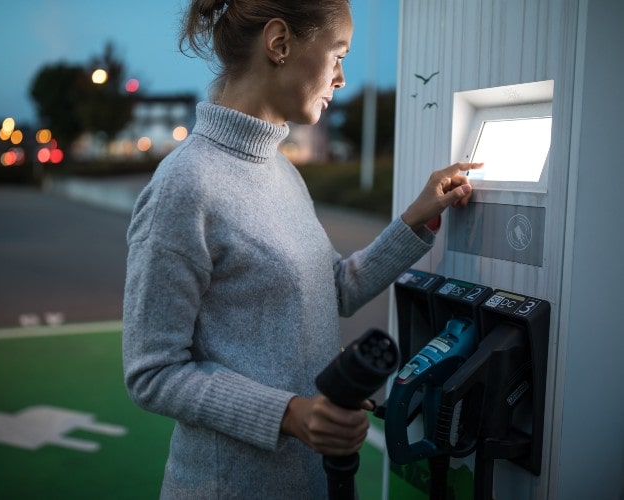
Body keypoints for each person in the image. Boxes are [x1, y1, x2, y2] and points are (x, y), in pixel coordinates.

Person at [122, 0, 481, 498]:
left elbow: (333, 288)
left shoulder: (282, 171)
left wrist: (414, 220)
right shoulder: (184, 186)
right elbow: (153, 372)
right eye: (337, 55)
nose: (341, 78)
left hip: (310, 482)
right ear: (280, 43)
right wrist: (291, 415)